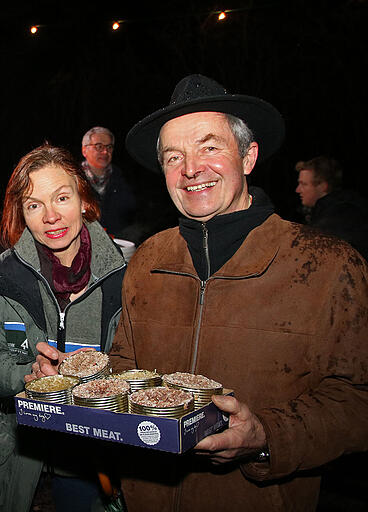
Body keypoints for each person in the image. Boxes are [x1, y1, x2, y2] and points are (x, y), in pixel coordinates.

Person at [34, 74, 368, 510]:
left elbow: (357, 399)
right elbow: (128, 369)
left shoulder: (326, 265)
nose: (191, 169)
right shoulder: (148, 259)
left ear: (248, 156)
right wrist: (81, 379)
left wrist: (267, 435)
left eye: (210, 147)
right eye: (174, 156)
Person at [0, 144, 127, 512]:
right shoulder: (2, 279)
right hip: (16, 440)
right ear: (22, 214)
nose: (51, 216)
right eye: (35, 204)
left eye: (61, 198)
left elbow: (136, 363)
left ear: (83, 199)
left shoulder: (121, 278)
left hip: (91, 451)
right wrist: (27, 374)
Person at [295, 155, 368, 258]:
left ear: (323, 186)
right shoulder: (334, 211)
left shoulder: (335, 221)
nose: (297, 190)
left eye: (304, 184)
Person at [80, 126, 137, 239]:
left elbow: (130, 216)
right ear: (84, 150)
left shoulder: (123, 178)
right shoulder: (74, 179)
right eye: (99, 147)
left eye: (109, 147)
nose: (105, 152)